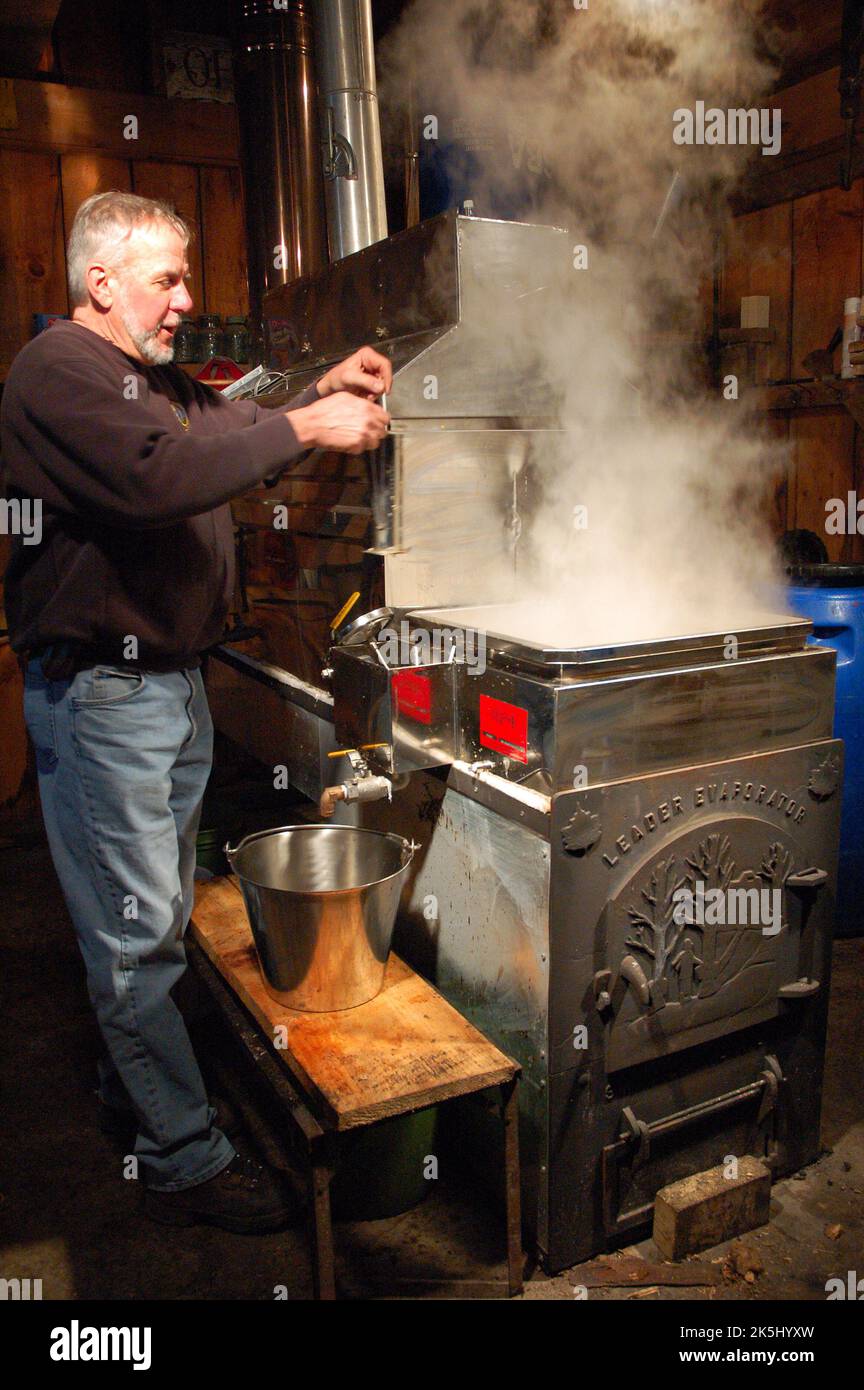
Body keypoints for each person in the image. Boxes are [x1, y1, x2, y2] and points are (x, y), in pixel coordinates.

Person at [0, 190, 391, 1232]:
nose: (184, 300)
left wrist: (317, 385)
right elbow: (160, 475)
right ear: (100, 281)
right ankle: (180, 1153)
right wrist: (313, 420)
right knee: (136, 937)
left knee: (155, 920)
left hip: (166, 685)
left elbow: (226, 420)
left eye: (184, 278)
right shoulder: (58, 371)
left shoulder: (145, 379)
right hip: (105, 696)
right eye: (166, 279)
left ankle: (136, 1098)